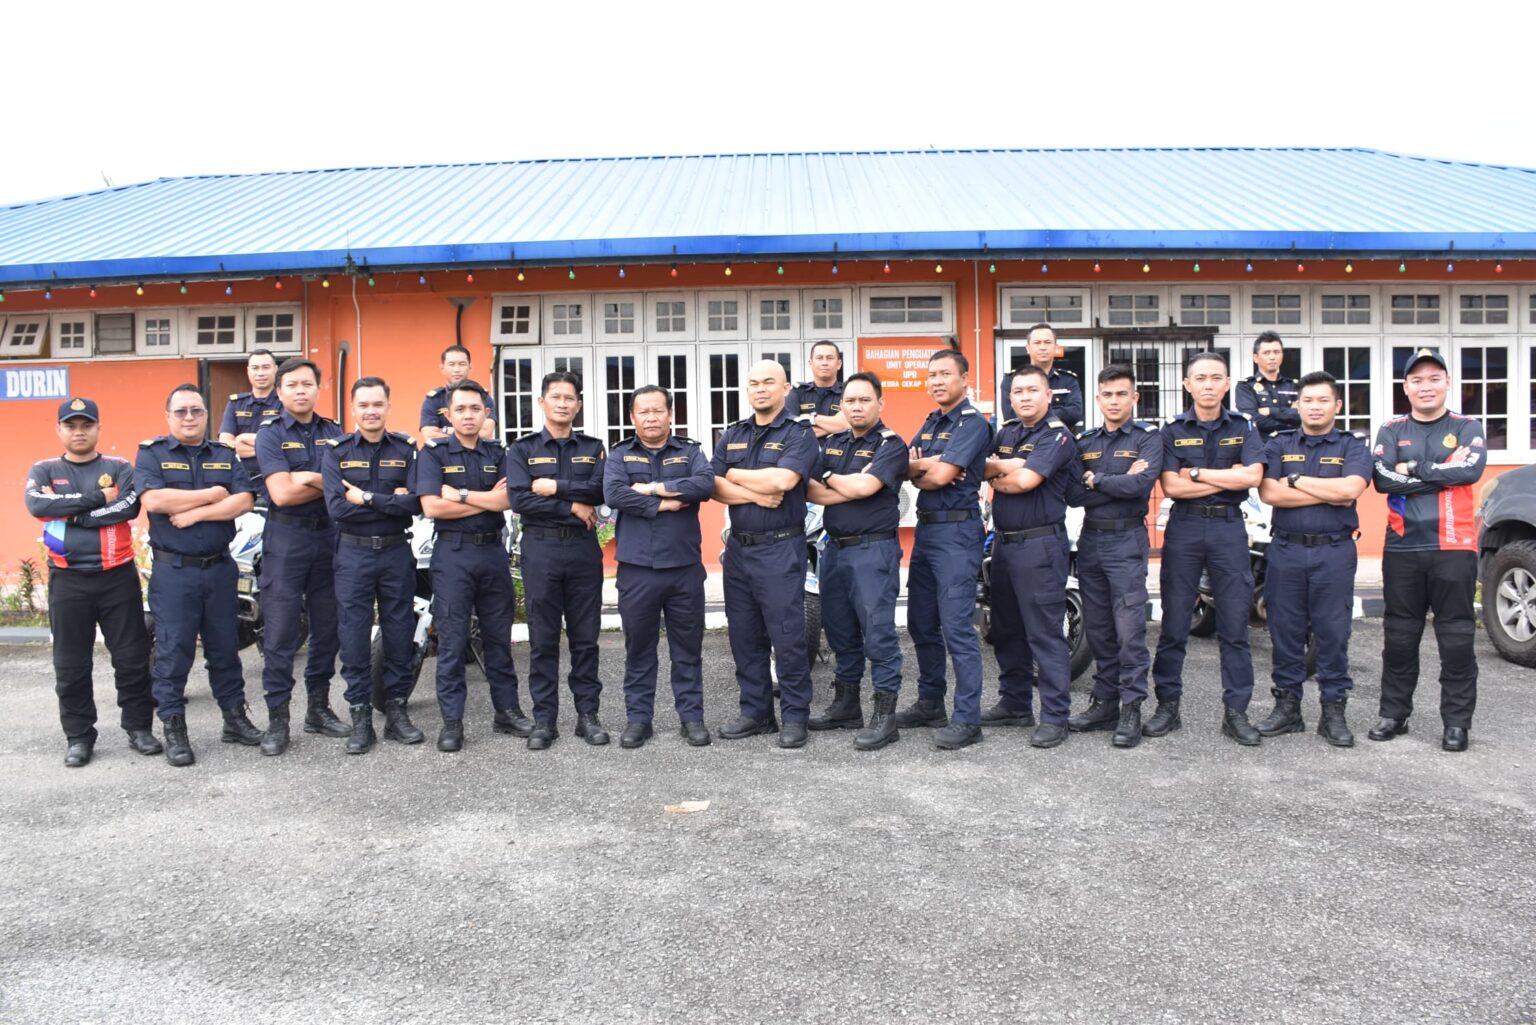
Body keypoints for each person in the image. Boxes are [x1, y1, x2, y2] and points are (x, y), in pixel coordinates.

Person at [25, 397, 159, 767]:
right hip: (68, 581)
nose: (79, 432)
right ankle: (79, 737)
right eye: (71, 426)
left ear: (99, 428)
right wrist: (98, 498)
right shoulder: (44, 469)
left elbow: (128, 506)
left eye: (86, 425)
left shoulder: (119, 467)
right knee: (71, 666)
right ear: (59, 430)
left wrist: (74, 512)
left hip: (117, 577)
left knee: (132, 660)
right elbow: (38, 506)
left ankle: (139, 728)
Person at [136, 385, 262, 766]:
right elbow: (154, 500)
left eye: (196, 410)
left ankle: (234, 720)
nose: (189, 417)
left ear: (207, 415)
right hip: (175, 572)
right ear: (168, 416)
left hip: (220, 568)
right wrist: (211, 495)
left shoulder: (223, 454)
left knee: (225, 649)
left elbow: (245, 499)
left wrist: (195, 513)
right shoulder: (152, 453)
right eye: (181, 411)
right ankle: (174, 728)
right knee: (174, 652)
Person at [1369, 348, 1486, 752]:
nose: (1426, 386)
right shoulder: (1391, 428)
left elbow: (1470, 470)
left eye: (1434, 378)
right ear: (1406, 387)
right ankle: (1393, 714)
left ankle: (1456, 723)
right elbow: (1383, 479)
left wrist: (1412, 467)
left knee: (1457, 638)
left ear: (1447, 383)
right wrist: (1441, 473)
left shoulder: (1467, 426)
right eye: (1417, 380)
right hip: (1402, 547)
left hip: (1454, 546)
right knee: (1399, 637)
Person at [1149, 352, 1265, 746]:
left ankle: (1236, 713)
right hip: (1184, 528)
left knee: (1234, 626)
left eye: (1216, 377)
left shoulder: (1244, 426)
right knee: (1174, 623)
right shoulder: (1172, 430)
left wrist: (1197, 473)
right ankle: (1167, 707)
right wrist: (1228, 477)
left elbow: (1253, 476)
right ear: (1188, 385)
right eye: (1200, 378)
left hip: (1229, 530)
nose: (1209, 385)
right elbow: (1172, 487)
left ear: (1227, 383)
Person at [1254, 371, 1371, 747]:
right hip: (1286, 550)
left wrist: (1295, 480)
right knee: (1284, 630)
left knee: (1333, 632)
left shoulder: (1352, 445)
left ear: (1337, 405)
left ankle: (1333, 712)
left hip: (1334, 551)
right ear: (1297, 405)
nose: (1315, 407)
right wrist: (1326, 491)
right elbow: (1270, 494)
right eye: (1308, 400)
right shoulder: (1279, 443)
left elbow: (1350, 491)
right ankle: (1287, 708)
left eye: (1323, 400)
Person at [415, 380, 531, 752]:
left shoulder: (498, 452)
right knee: (452, 641)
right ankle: (452, 723)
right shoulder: (433, 453)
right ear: (448, 415)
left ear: (486, 414)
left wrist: (461, 495)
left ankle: (507, 712)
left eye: (475, 409)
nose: (468, 415)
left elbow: (508, 500)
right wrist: (485, 499)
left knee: (498, 638)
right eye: (461, 409)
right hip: (453, 555)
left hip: (492, 553)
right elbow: (432, 506)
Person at [711, 360, 820, 748]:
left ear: (785, 388)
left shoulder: (799, 433)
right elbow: (711, 484)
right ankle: (756, 713)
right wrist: (756, 494)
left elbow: (784, 479)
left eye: (768, 382)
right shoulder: (733, 433)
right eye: (754, 382)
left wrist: (736, 475)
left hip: (780, 547)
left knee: (787, 635)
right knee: (744, 635)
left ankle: (794, 716)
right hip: (738, 549)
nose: (760, 389)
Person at [603, 385, 716, 748]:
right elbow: (614, 494)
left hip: (683, 567)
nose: (651, 418)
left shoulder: (690, 451)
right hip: (637, 568)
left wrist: (651, 489)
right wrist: (664, 504)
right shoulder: (620, 454)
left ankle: (692, 718)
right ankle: (639, 720)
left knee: (688, 649)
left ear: (670, 414)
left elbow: (704, 484)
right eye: (643, 412)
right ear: (632, 417)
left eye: (658, 411)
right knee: (639, 648)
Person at [805, 372, 908, 750]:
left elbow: (866, 486)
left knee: (878, 635)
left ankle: (885, 716)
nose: (856, 407)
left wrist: (832, 477)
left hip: (873, 550)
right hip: (834, 550)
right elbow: (811, 490)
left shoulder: (891, 445)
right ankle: (847, 706)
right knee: (840, 632)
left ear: (880, 403)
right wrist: (849, 485)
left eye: (865, 400)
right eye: (849, 401)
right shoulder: (833, 442)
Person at [322, 376, 425, 753]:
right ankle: (360, 715)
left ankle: (396, 710)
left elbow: (415, 503)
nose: (371, 411)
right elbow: (337, 508)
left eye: (377, 404)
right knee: (353, 635)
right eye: (363, 405)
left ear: (388, 407)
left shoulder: (406, 448)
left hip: (396, 551)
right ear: (353, 409)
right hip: (354, 553)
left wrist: (365, 498)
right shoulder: (336, 451)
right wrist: (391, 501)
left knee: (399, 632)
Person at [506, 372, 609, 750]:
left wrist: (556, 488)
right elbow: (520, 500)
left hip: (583, 551)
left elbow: (600, 490)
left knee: (585, 639)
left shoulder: (594, 447)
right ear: (542, 402)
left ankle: (588, 716)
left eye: (569, 398)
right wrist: (572, 506)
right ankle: (544, 720)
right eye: (556, 397)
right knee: (543, 639)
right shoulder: (522, 450)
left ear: (578, 405)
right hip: (541, 550)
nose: (563, 404)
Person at [898, 348, 994, 750]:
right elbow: (904, 466)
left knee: (956, 627)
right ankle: (930, 702)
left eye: (944, 374)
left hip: (957, 533)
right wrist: (930, 466)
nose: (936, 381)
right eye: (932, 375)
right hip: (927, 531)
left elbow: (939, 477)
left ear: (964, 379)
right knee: (921, 622)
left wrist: (927, 469)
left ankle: (968, 719)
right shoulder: (932, 421)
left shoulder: (973, 423)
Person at [982, 365, 1080, 749]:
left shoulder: (1057, 435)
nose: (1024, 397)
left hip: (1040, 544)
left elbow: (1025, 481)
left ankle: (1055, 716)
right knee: (1006, 629)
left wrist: (1000, 474)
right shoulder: (1006, 432)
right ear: (1010, 397)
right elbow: (982, 469)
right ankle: (1015, 703)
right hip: (1004, 545)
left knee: (1044, 632)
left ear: (1048, 395)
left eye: (1032, 390)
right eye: (1018, 391)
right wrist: (1008, 468)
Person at [1064, 365, 1162, 748]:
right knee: (1100, 628)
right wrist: (1117, 483)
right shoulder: (1085, 441)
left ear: (1134, 398)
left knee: (1129, 629)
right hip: (1091, 540)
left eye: (1122, 394)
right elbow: (1074, 495)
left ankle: (1131, 706)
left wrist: (1097, 479)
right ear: (1098, 398)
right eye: (1107, 394)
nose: (1114, 401)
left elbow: (1141, 486)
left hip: (1127, 540)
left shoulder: (1146, 438)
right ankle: (1104, 702)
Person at [252, 358, 346, 755]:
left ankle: (318, 709)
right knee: (281, 632)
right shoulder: (269, 434)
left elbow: (347, 484)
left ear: (318, 388)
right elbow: (282, 494)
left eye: (307, 384)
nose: (300, 390)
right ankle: (278, 719)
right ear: (279, 391)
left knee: (328, 627)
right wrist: (325, 482)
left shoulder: (335, 432)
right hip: (286, 540)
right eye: (292, 385)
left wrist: (306, 476)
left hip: (329, 537)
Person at [217, 348, 283, 499]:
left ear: (275, 369)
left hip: (275, 478)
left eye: (265, 367)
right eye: (255, 368)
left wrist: (242, 440)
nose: (260, 373)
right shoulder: (235, 403)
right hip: (241, 480)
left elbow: (286, 443)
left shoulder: (285, 403)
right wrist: (269, 447)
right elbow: (225, 445)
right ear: (248, 371)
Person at [421, 344, 497, 444]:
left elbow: (486, 432)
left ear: (470, 367)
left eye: (462, 364)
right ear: (442, 368)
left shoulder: (483, 397)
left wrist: (445, 430)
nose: (457, 369)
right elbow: (430, 435)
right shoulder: (433, 399)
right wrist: (468, 435)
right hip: (443, 453)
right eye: (451, 364)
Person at [1235, 332, 1300, 436]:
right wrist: (1288, 422)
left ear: (1282, 355)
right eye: (1266, 353)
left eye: (1277, 352)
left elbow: (1302, 416)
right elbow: (1252, 419)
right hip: (1261, 443)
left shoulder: (1294, 386)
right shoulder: (1246, 386)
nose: (1272, 357)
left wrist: (1270, 411)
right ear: (1255, 358)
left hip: (1291, 442)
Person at [1022, 323, 1084, 431]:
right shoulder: (1012, 380)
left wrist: (1032, 414)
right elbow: (1012, 416)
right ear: (1028, 348)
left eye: (1047, 342)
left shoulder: (1068, 380)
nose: (1042, 347)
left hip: (1061, 439)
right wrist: (1056, 413)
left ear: (1056, 347)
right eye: (1037, 343)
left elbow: (1075, 413)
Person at [789, 340, 849, 438]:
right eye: (819, 358)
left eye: (830, 358)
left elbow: (850, 423)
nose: (824, 363)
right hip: (805, 448)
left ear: (839, 364)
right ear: (810, 363)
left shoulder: (848, 392)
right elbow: (790, 430)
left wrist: (809, 418)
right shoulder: (797, 392)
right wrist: (837, 426)